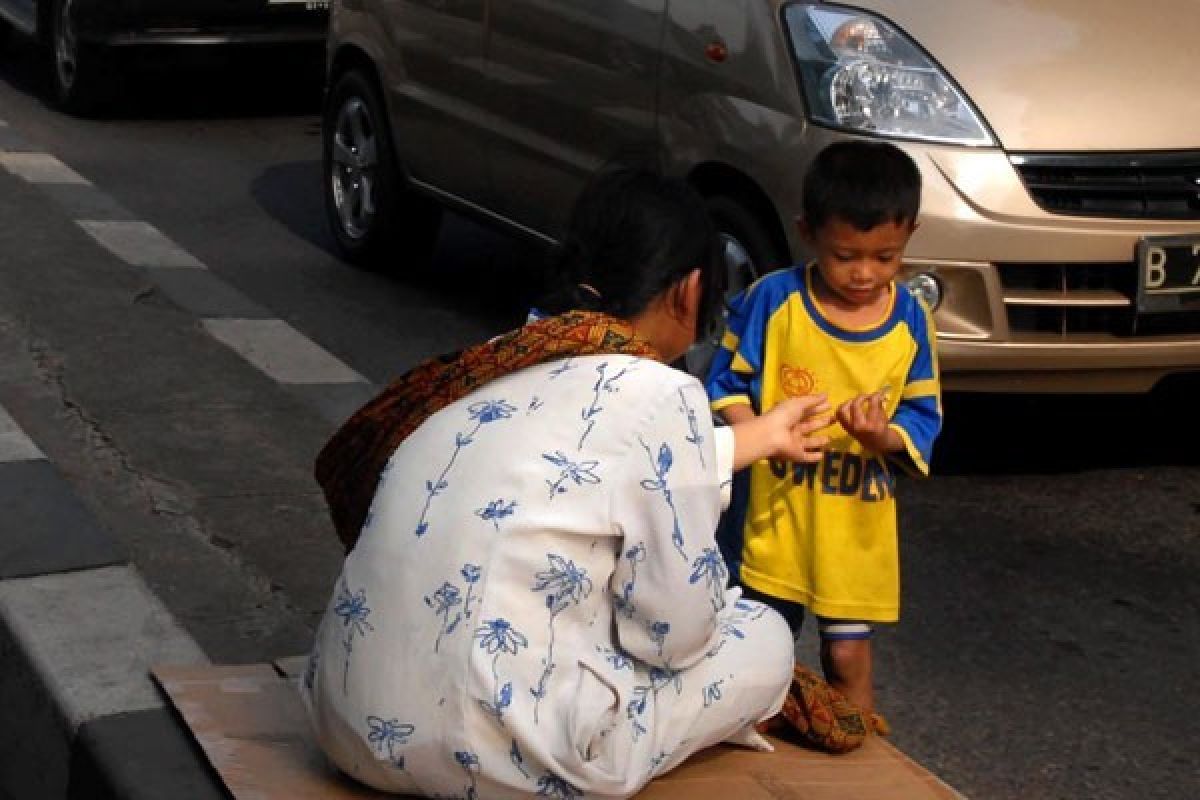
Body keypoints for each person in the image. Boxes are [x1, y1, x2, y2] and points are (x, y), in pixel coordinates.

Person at [303, 169, 835, 799]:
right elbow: (674, 636)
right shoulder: (666, 392)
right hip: (502, 759)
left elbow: (601, 465)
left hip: (348, 727)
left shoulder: (496, 362)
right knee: (765, 638)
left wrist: (761, 436)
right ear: (690, 292)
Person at [705, 140, 942, 720]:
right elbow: (724, 382)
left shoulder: (910, 320)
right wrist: (757, 429)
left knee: (848, 657)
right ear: (807, 232)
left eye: (885, 257)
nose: (864, 273)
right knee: (758, 649)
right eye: (846, 256)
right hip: (773, 518)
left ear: (912, 232)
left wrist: (880, 436)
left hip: (852, 525)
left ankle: (860, 761)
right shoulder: (773, 299)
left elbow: (923, 416)